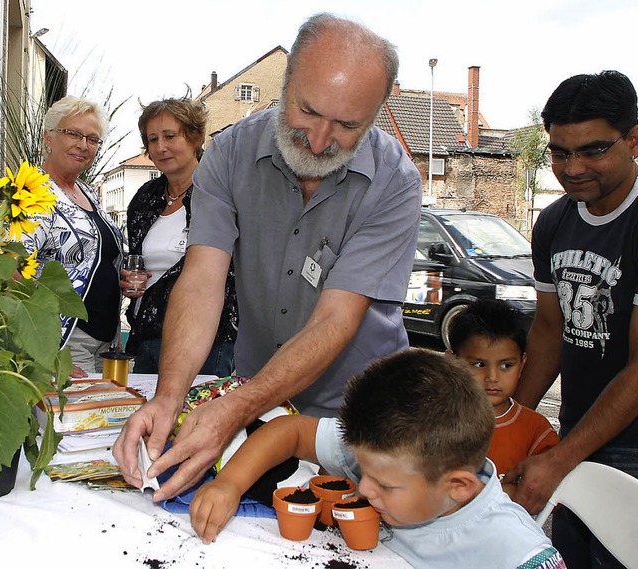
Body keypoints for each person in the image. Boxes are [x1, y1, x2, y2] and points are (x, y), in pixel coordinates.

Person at [114, 12, 422, 502]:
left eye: (347, 125)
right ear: (287, 79)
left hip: (361, 415)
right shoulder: (229, 154)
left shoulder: (396, 181)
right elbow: (201, 281)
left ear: (380, 111)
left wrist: (236, 407)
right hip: (259, 401)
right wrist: (169, 397)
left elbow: (335, 320)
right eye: (308, 111)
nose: (320, 141)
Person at [189, 348, 565, 569]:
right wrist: (229, 483)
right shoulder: (389, 453)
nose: (364, 488)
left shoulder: (515, 552)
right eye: (363, 471)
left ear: (459, 486)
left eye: (384, 486)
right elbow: (292, 431)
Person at [507, 70, 638, 568]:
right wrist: (512, 422)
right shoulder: (555, 220)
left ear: (634, 139)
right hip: (576, 433)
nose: (573, 167)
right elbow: (548, 330)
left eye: (593, 150)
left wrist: (559, 459)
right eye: (559, 152)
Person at [121, 98, 237, 376]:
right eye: (152, 139)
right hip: (148, 338)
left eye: (170, 136)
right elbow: (139, 262)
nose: (160, 147)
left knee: (194, 419)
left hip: (205, 343)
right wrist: (129, 281)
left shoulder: (221, 194)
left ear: (195, 136)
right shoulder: (145, 199)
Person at [22, 95, 124, 376]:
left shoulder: (86, 191)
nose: (83, 145)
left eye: (92, 139)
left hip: (105, 341)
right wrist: (48, 356)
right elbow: (14, 273)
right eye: (73, 134)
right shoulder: (31, 192)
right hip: (65, 341)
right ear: (48, 137)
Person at [447, 299, 559, 493]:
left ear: (523, 364)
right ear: (451, 362)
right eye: (479, 365)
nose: (492, 378)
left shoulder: (535, 429)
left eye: (506, 365)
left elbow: (553, 491)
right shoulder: (432, 420)